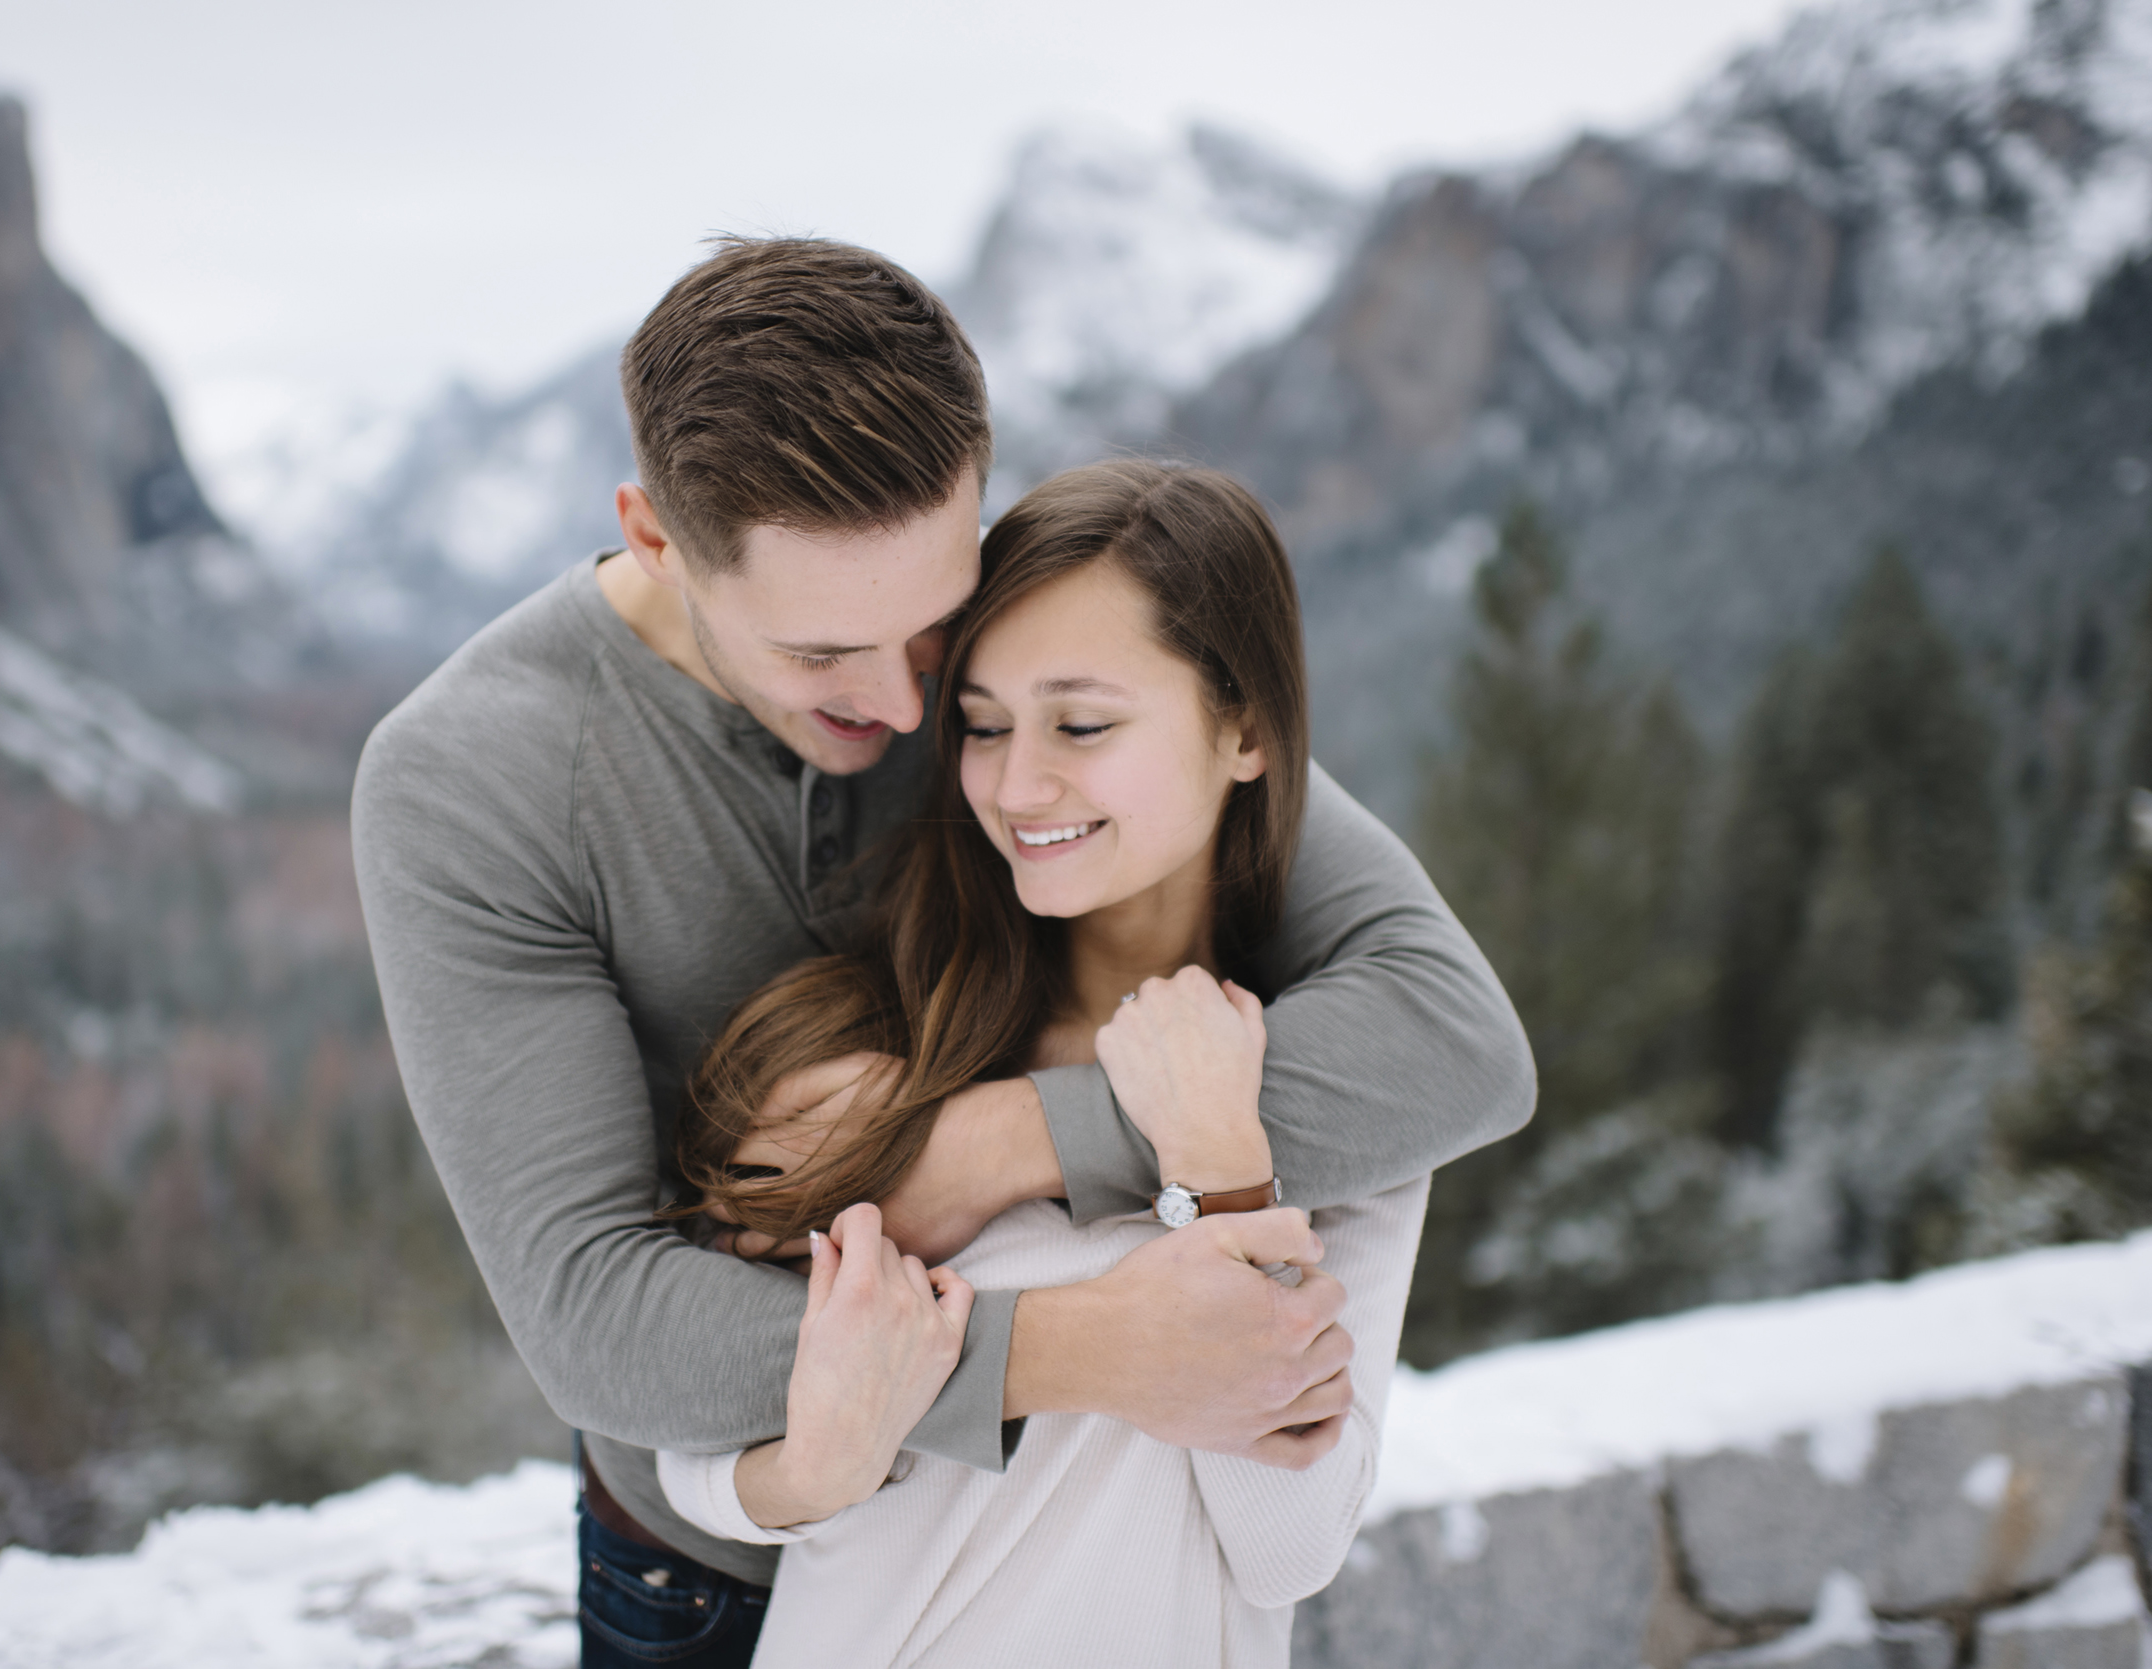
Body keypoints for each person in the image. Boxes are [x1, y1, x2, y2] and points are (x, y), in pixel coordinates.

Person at [349, 237, 1532, 1669]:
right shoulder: (473, 777)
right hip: (721, 1568)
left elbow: (1453, 1040)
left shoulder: (1026, 670)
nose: (913, 712)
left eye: (936, 633)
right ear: (658, 539)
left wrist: (987, 1144)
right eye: (822, 657)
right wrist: (1094, 1349)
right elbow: (596, 1317)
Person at [656, 460, 1424, 1668]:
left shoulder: (1341, 1103)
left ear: (1246, 730)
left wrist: (1222, 1166)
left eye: (1081, 723)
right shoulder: (862, 1053)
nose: (1016, 785)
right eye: (982, 725)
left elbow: (1292, 1544)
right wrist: (815, 1465)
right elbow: (694, 1447)